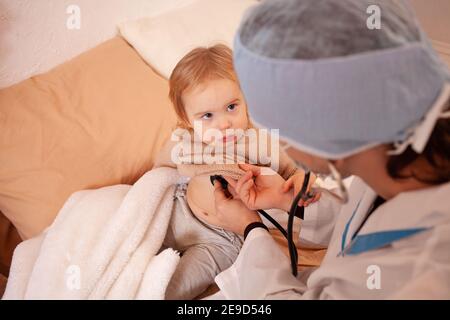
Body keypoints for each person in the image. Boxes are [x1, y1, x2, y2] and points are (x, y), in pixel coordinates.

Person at [209, 0, 450, 299]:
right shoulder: (387, 141)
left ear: (327, 135)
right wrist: (290, 202)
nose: (281, 143)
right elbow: (367, 226)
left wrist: (250, 230)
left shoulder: (424, 277)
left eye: (282, 131)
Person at [154, 44, 319, 299]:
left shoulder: (260, 143)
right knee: (140, 246)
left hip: (222, 240)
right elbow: (159, 174)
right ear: (187, 119)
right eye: (207, 115)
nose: (223, 124)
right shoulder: (183, 141)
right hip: (181, 213)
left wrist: (301, 180)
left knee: (171, 290)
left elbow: (295, 169)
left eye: (232, 107)